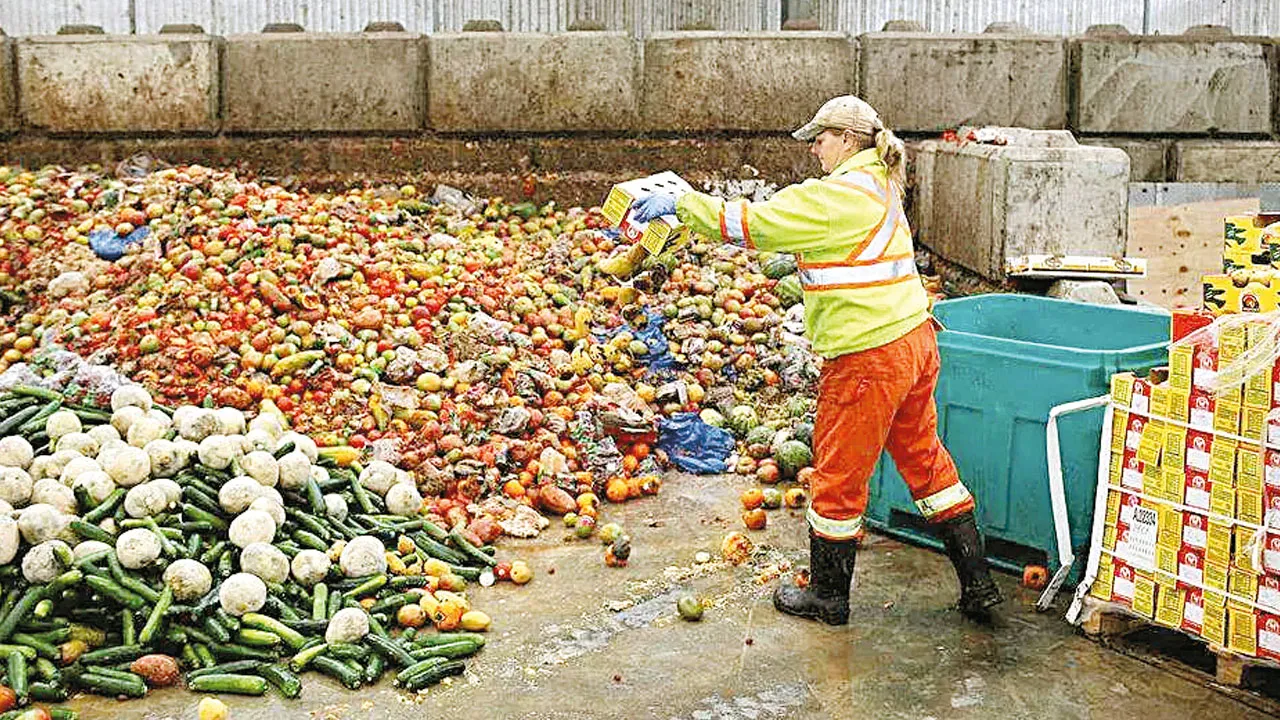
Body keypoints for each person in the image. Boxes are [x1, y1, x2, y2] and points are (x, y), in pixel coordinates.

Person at [629, 95, 1003, 626]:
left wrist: (683, 204)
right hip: (914, 340)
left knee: (837, 475)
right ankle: (978, 584)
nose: (815, 151)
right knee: (926, 462)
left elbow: (758, 223)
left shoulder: (839, 196)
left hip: (868, 356)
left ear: (847, 140)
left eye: (820, 139)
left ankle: (829, 597)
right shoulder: (879, 183)